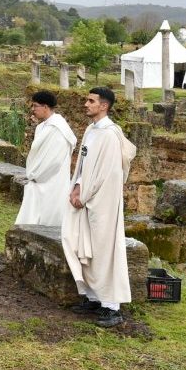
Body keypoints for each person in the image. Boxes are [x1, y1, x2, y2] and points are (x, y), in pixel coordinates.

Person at [61, 87, 131, 328]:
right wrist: (77, 186)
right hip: (86, 196)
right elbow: (85, 164)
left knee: (104, 249)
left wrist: (86, 193)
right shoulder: (92, 130)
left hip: (102, 201)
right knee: (82, 243)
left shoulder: (110, 134)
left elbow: (108, 173)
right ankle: (92, 297)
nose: (85, 104)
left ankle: (112, 307)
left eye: (91, 101)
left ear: (104, 106)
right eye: (86, 100)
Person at [15, 90, 77, 227]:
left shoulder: (58, 129)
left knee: (48, 219)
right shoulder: (41, 127)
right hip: (37, 180)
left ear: (45, 107)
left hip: (52, 180)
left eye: (35, 106)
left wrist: (37, 175)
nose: (33, 110)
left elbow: (55, 160)